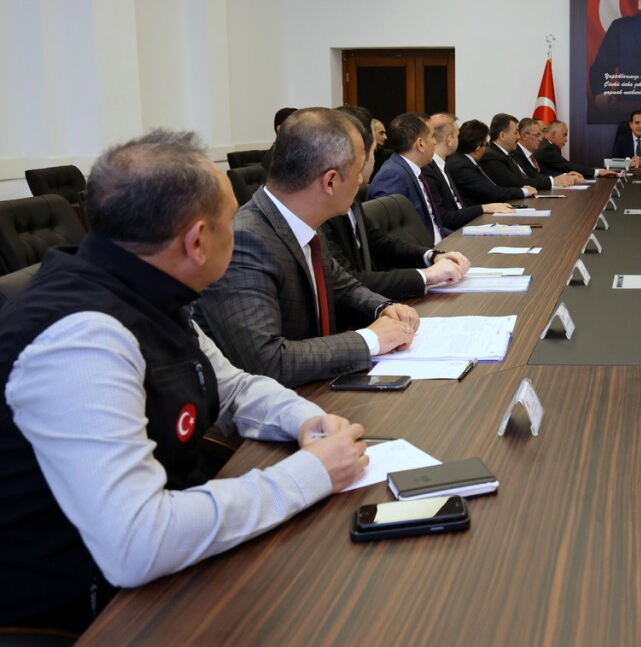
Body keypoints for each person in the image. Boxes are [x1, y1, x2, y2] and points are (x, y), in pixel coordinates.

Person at [0, 131, 369, 633]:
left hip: (159, 570)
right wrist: (308, 474)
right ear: (196, 242)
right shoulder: (82, 340)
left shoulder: (143, 283)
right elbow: (139, 541)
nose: (239, 230)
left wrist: (304, 418)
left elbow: (231, 385)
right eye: (231, 222)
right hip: (80, 617)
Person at [196, 108, 422, 387]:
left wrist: (383, 308)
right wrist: (370, 339)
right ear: (330, 182)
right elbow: (267, 362)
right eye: (356, 172)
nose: (361, 180)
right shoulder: (246, 241)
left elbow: (342, 287)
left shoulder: (303, 220)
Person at [323, 108, 470, 299]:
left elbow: (381, 242)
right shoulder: (325, 212)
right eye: (373, 151)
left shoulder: (350, 200)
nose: (374, 159)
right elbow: (347, 282)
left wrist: (432, 256)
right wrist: (425, 276)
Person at [421, 112, 516, 228]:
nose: (459, 140)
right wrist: (484, 208)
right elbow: (444, 218)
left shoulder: (443, 164)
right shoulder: (429, 170)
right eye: (457, 136)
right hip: (455, 233)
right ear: (449, 140)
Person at [364, 112, 447, 242]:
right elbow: (390, 237)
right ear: (420, 144)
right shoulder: (393, 175)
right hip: (423, 250)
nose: (435, 142)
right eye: (432, 136)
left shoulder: (412, 170)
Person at [445, 119, 534, 206]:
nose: (487, 149)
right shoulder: (461, 166)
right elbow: (490, 192)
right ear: (477, 150)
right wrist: (523, 191)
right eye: (486, 145)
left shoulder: (465, 160)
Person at [482, 113, 580, 189]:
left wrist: (562, 177)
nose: (518, 136)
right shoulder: (491, 156)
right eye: (515, 133)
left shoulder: (509, 154)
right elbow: (515, 183)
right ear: (502, 136)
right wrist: (553, 181)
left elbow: (530, 176)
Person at [535, 120, 617, 179]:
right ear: (553, 134)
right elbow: (568, 167)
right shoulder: (548, 149)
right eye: (564, 135)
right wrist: (598, 172)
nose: (566, 140)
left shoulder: (545, 145)